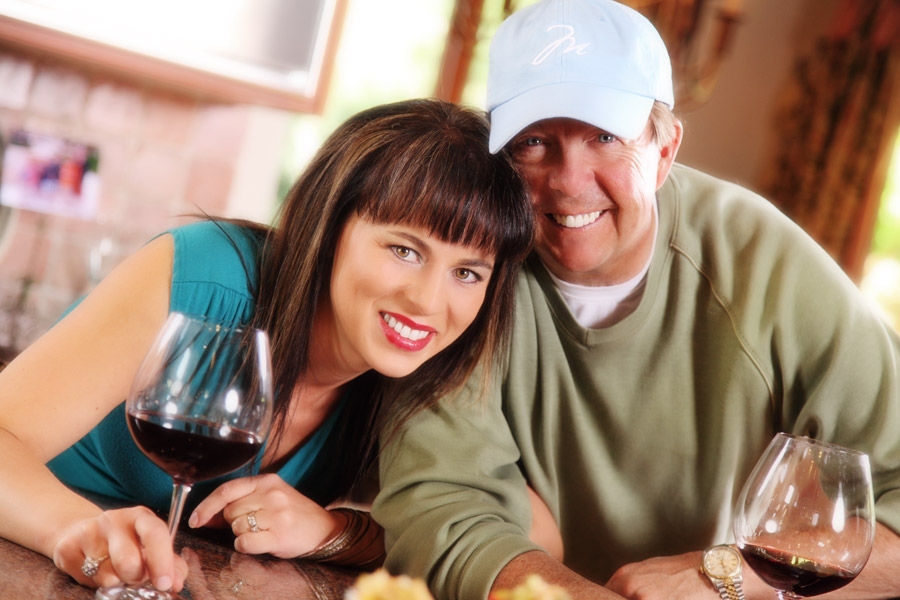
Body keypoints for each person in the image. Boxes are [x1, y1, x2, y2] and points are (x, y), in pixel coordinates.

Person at [372, 2, 900, 599]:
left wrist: (722, 575)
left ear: (664, 150)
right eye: (533, 142)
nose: (569, 180)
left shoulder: (766, 263)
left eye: (604, 137)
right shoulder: (465, 266)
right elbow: (439, 506)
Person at [0, 98, 537, 594]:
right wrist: (71, 528)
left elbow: (515, 534)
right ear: (329, 226)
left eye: (467, 273)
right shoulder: (204, 277)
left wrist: (336, 531)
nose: (428, 301)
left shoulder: (425, 370)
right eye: (404, 250)